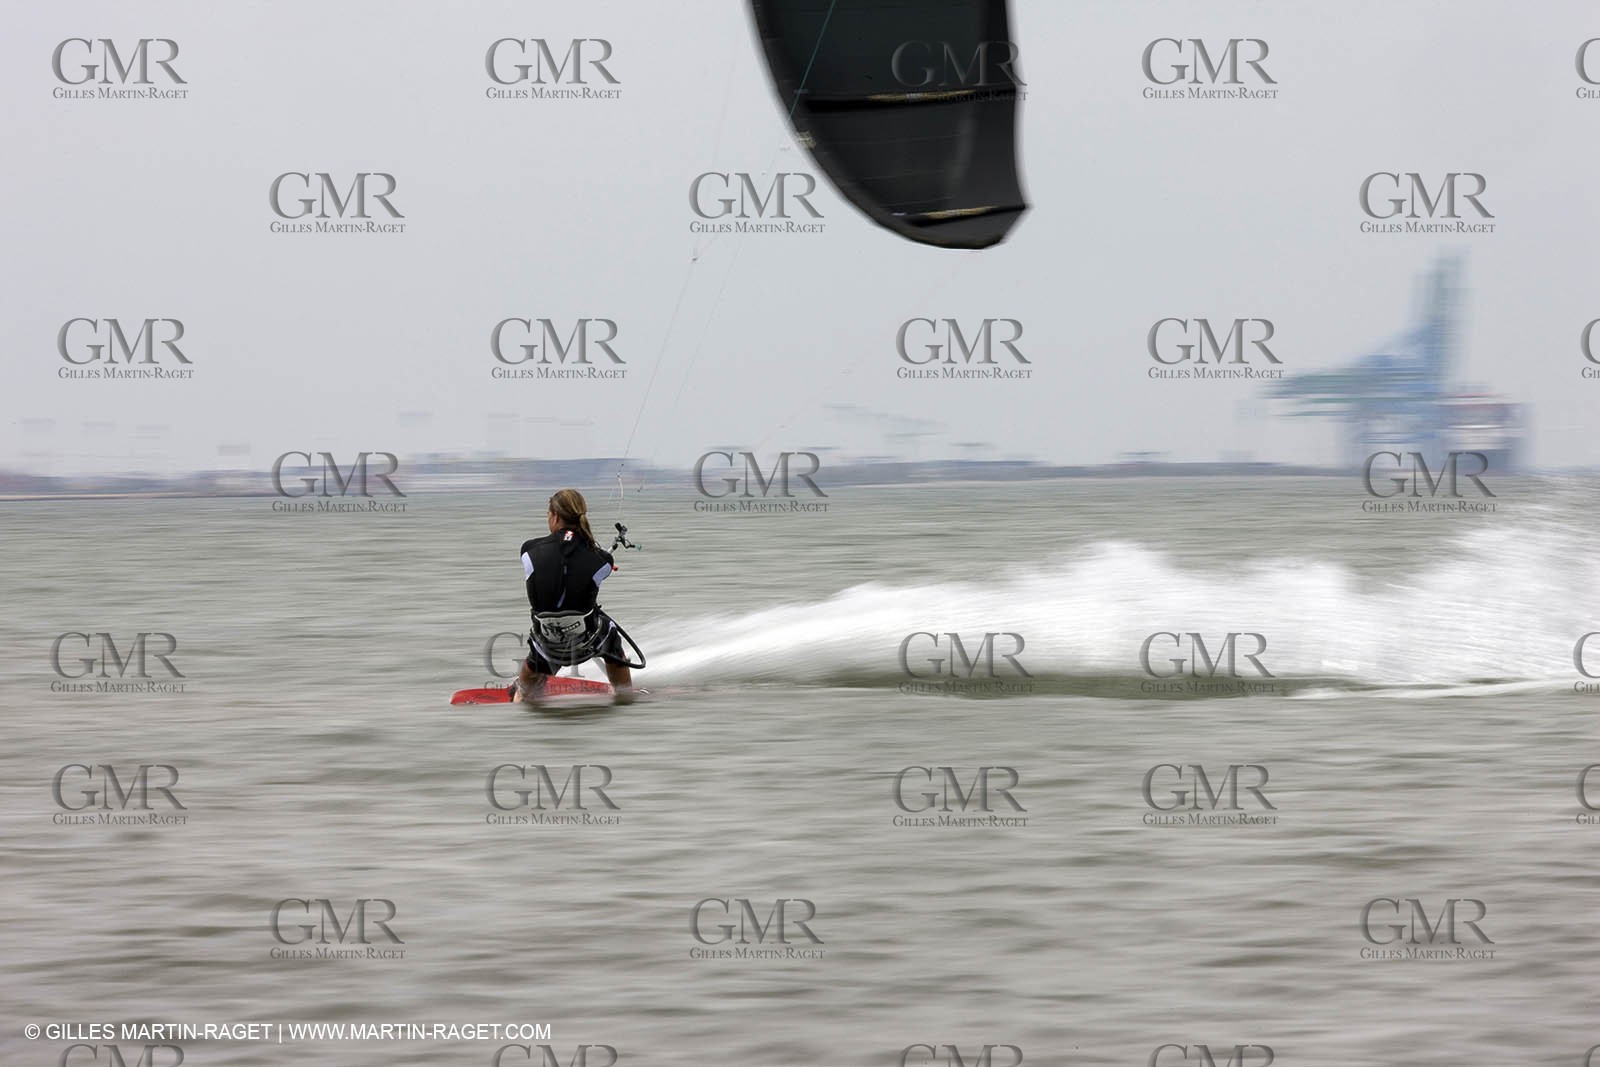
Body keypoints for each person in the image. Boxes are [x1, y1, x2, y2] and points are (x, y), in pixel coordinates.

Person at [515, 489, 639, 704]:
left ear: (554, 516)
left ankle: (523, 694)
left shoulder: (528, 550)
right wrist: (602, 564)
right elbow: (579, 566)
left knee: (539, 650)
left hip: (547, 640)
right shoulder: (602, 559)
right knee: (611, 640)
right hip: (587, 640)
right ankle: (625, 694)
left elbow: (557, 566)